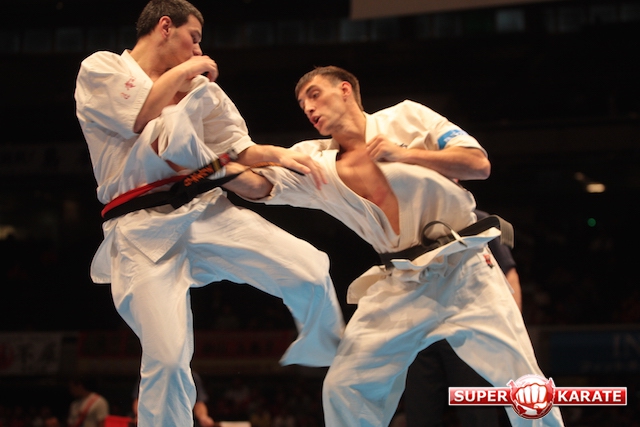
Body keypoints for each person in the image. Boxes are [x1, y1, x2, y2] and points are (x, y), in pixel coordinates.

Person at [228, 66, 564, 426]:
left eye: (314, 94)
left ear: (345, 90)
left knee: (524, 384)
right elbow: (259, 186)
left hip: (465, 272)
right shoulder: (313, 160)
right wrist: (213, 169)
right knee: (345, 386)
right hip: (402, 282)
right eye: (301, 103)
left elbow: (478, 164)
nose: (308, 108)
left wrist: (403, 154)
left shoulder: (407, 118)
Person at [73, 2, 344, 426]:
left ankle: (324, 347)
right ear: (165, 26)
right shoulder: (102, 68)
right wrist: (188, 70)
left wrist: (277, 154)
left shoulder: (200, 88)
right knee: (167, 361)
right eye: (194, 37)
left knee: (308, 267)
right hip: (140, 230)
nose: (199, 49)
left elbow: (238, 149)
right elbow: (139, 116)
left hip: (204, 208)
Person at [403, 210, 522, 427]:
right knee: (420, 414)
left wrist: (513, 329)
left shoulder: (477, 219)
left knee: (477, 414)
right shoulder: (412, 218)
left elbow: (509, 274)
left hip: (467, 327)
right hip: (421, 328)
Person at [132, 372, 214, 427]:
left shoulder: (191, 376)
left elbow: (199, 402)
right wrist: (140, 415)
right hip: (154, 421)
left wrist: (203, 417)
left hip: (183, 421)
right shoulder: (148, 374)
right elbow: (139, 400)